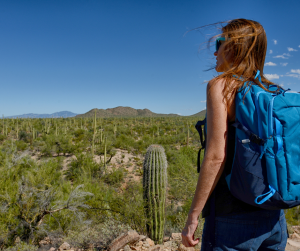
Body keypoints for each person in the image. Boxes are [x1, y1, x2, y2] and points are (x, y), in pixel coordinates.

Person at [181, 19, 288, 251]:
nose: (216, 52)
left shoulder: (220, 85)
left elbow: (216, 157)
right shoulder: (270, 90)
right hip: (274, 216)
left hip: (232, 218)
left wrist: (193, 217)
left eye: (219, 43)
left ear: (235, 47)